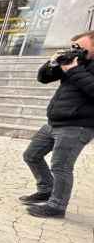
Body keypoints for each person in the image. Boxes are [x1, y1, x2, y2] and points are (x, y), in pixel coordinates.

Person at [20, 30, 94, 218]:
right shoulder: (76, 63)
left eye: (80, 48)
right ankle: (46, 188)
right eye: (73, 47)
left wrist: (74, 70)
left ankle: (57, 206)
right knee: (31, 155)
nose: (75, 51)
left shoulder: (78, 68)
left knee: (61, 166)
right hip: (55, 122)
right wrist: (53, 62)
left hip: (79, 125)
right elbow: (43, 78)